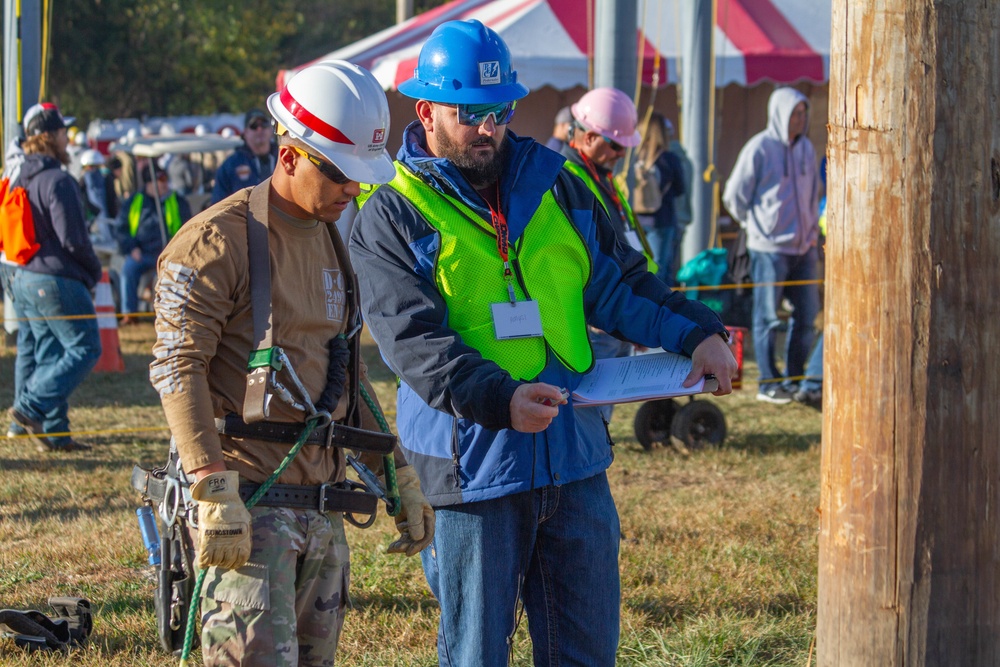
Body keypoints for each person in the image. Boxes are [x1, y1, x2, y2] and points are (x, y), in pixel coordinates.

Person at [350, 19, 737, 667]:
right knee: (476, 653)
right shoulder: (392, 211)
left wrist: (698, 333)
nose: (487, 128)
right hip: (473, 470)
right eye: (469, 112)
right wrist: (499, 399)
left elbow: (621, 290)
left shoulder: (558, 183)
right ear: (426, 111)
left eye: (498, 110)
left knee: (586, 651)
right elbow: (414, 342)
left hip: (575, 457)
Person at [148, 60, 435, 667]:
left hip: (322, 510)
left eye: (360, 177)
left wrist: (397, 477)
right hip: (247, 507)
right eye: (339, 174)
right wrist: (209, 483)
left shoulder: (334, 241)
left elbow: (345, 377)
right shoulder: (214, 242)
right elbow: (179, 368)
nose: (352, 191)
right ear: (290, 157)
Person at [2, 102, 101, 452]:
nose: (67, 138)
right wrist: (93, 271)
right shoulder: (57, 180)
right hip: (55, 278)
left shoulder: (21, 176)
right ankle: (29, 407)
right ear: (49, 137)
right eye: (62, 133)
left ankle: (55, 433)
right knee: (86, 348)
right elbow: (74, 240)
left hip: (25, 276)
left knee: (50, 352)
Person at [722, 87, 821, 404]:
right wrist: (754, 226)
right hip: (769, 249)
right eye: (795, 113)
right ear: (779, 114)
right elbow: (734, 195)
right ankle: (768, 381)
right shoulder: (759, 148)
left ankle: (793, 379)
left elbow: (813, 194)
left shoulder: (806, 148)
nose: (800, 119)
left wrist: (811, 234)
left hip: (803, 248)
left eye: (803, 113)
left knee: (807, 316)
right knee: (767, 317)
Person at [115, 168, 192, 324]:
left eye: (165, 181)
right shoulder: (134, 201)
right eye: (159, 181)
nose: (164, 185)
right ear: (149, 184)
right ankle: (129, 314)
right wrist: (132, 248)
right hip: (141, 253)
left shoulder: (177, 200)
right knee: (128, 270)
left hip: (169, 254)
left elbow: (188, 226)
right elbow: (121, 228)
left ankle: (172, 315)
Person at [633, 112, 686, 285]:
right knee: (660, 271)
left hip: (636, 220)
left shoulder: (632, 157)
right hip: (662, 220)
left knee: (637, 269)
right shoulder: (669, 159)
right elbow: (680, 189)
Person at [209, 108, 277, 204]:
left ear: (271, 130)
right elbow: (218, 205)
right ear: (245, 133)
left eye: (264, 124)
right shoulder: (230, 165)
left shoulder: (284, 158)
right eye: (254, 126)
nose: (260, 129)